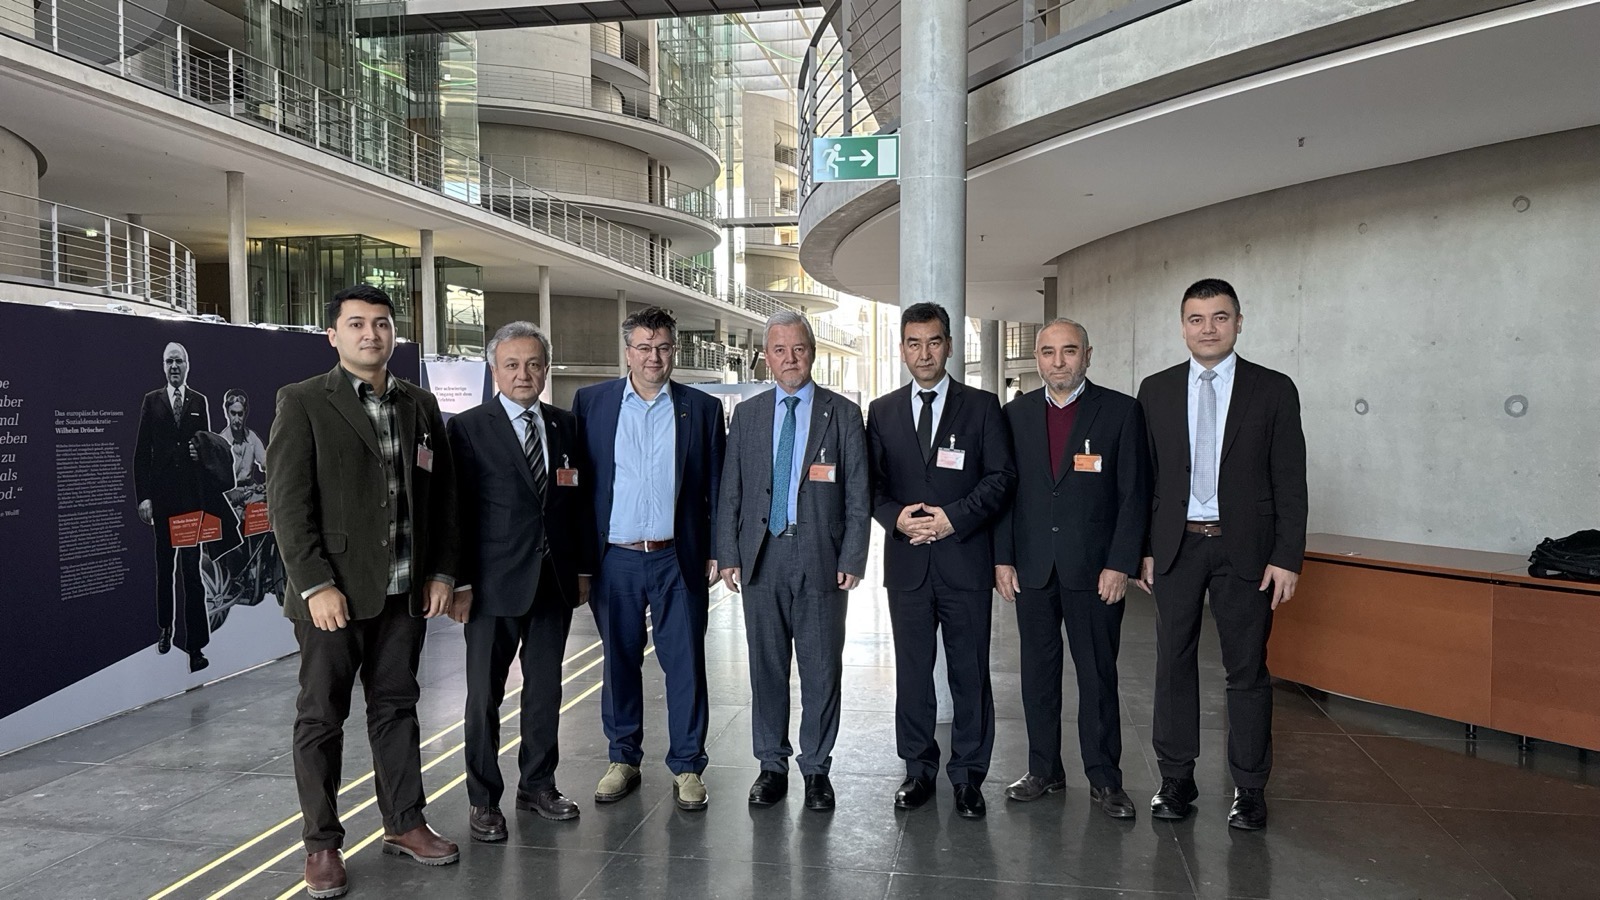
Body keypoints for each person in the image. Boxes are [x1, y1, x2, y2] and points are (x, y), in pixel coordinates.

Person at [266, 284, 461, 899]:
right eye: (356, 324)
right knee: (321, 718)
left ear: (394, 334)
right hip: (333, 599)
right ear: (333, 336)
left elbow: (443, 498)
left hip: (403, 594)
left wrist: (442, 572)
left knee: (397, 708)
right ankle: (321, 845)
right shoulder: (302, 401)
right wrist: (316, 584)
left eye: (381, 323)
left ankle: (404, 822)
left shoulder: (419, 404)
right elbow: (287, 505)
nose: (371, 334)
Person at [1135, 278, 1307, 831]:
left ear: (1238, 322)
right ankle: (1175, 779)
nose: (1207, 328)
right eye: (1196, 318)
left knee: (1247, 669)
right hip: (1177, 547)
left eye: (1219, 317)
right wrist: (1142, 549)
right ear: (1182, 326)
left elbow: (1290, 479)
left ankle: (1249, 788)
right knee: (1172, 664)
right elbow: (1143, 479)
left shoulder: (1273, 389)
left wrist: (1287, 556)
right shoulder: (1156, 390)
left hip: (1247, 550)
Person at [993, 318, 1150, 818]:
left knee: (1098, 676)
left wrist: (1120, 563)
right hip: (1033, 568)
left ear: (1087, 355)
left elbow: (1134, 494)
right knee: (1037, 675)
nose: (1058, 361)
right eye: (1048, 352)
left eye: (1069, 351)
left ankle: (1104, 778)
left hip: (1095, 571)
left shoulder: (1121, 411)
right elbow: (1004, 492)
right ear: (1037, 358)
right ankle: (1044, 769)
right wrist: (1003, 557)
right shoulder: (1014, 415)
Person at [571, 306, 726, 811]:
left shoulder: (701, 409)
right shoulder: (592, 403)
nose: (653, 357)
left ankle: (688, 765)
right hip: (614, 558)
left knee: (685, 664)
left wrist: (718, 550)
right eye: (644, 347)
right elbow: (579, 487)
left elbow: (718, 487)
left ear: (673, 351)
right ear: (628, 352)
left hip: (677, 557)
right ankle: (623, 758)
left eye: (662, 347)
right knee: (618, 662)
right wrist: (581, 559)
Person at [446, 321, 594, 842]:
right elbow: (455, 511)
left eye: (533, 364)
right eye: (512, 365)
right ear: (495, 370)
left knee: (546, 691)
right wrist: (459, 582)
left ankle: (537, 785)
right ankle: (483, 799)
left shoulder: (565, 426)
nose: (523, 374)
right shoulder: (467, 428)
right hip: (490, 586)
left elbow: (578, 503)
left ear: (546, 370)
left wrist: (582, 569)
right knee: (483, 697)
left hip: (553, 582)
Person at [716, 311, 870, 812]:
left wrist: (853, 555)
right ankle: (771, 765)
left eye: (798, 349)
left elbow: (859, 494)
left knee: (822, 667)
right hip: (761, 556)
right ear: (767, 357)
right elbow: (732, 489)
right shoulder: (749, 415)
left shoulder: (842, 414)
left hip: (820, 555)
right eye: (780, 350)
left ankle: (817, 767)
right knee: (766, 666)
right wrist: (729, 553)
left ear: (813, 353)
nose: (790, 359)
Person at [866, 302, 1015, 819]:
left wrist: (953, 518)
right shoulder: (882, 411)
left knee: (969, 673)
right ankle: (917, 769)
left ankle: (969, 775)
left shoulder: (982, 406)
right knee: (912, 674)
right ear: (902, 349)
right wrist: (896, 519)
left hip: (964, 560)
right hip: (908, 565)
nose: (924, 353)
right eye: (914, 343)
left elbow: (1001, 477)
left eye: (933, 342)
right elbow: (871, 486)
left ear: (949, 346)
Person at [133, 342, 214, 673]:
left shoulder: (198, 401)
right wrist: (144, 497)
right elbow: (142, 452)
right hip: (164, 500)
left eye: (179, 361)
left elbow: (209, 447)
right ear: (163, 366)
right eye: (169, 362)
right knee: (164, 568)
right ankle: (165, 628)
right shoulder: (152, 401)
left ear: (187, 365)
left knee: (192, 572)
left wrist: (200, 453)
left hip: (191, 500)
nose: (174, 366)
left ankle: (195, 646)